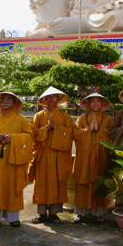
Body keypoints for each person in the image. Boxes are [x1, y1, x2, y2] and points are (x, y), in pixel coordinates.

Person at [0, 91, 33, 228]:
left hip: (14, 158)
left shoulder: (21, 119)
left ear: (15, 103)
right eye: (3, 99)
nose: (5, 102)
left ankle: (13, 217)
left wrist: (15, 138)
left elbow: (29, 136)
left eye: (9, 100)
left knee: (13, 185)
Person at [28, 87, 74, 224]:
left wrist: (57, 129)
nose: (52, 99)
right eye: (49, 97)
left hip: (58, 155)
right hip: (43, 154)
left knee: (57, 182)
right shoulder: (38, 116)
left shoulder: (65, 117)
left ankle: (54, 213)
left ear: (58, 99)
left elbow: (71, 132)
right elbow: (32, 133)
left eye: (54, 97)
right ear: (45, 100)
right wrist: (46, 129)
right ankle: (41, 213)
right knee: (41, 183)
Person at [72, 92, 112, 224]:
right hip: (85, 157)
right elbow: (76, 135)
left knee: (99, 181)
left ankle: (99, 213)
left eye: (98, 101)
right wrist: (88, 130)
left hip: (101, 155)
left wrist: (100, 130)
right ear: (88, 104)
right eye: (92, 102)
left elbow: (111, 135)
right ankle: (81, 213)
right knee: (83, 182)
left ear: (102, 104)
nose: (95, 104)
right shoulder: (82, 119)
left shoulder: (107, 119)